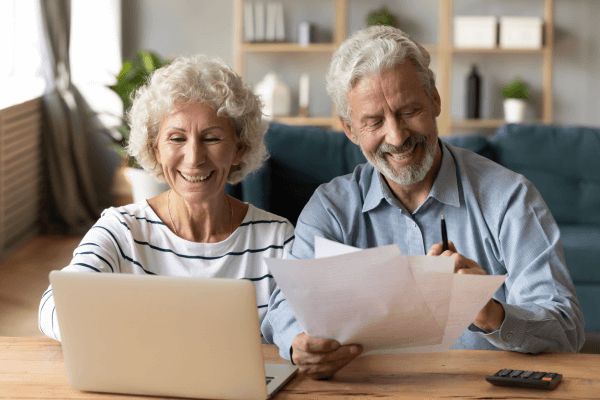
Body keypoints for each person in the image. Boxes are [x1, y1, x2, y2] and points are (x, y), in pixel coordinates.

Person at [261, 26, 585, 379]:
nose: (397, 137)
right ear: (350, 130)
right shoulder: (331, 208)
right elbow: (283, 305)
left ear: (435, 100)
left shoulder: (510, 198)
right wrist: (298, 343)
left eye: (408, 111)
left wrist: (491, 312)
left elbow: (566, 330)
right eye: (373, 122)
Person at [39, 55, 295, 340]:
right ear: (157, 150)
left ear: (238, 150)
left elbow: (300, 327)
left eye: (211, 138)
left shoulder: (277, 238)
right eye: (176, 138)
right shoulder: (121, 230)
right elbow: (53, 307)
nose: (194, 158)